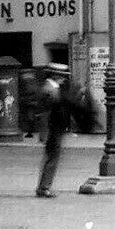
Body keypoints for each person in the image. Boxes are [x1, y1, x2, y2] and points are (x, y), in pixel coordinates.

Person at [35, 63, 76, 198]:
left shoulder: (52, 87)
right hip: (52, 128)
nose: (64, 79)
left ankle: (44, 186)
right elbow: (50, 112)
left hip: (54, 127)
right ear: (56, 76)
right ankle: (44, 187)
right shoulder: (49, 89)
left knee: (52, 157)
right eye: (63, 76)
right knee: (52, 157)